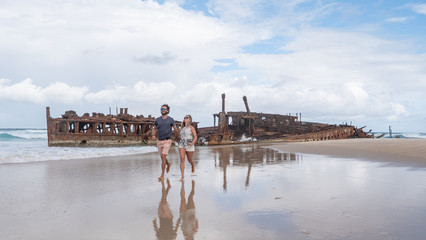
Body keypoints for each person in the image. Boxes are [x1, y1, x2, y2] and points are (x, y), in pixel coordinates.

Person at [152, 104, 180, 181]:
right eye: (162, 109)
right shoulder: (157, 120)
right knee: (162, 157)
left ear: (167, 110)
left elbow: (175, 129)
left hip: (168, 140)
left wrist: (179, 136)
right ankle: (168, 164)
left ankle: (162, 175)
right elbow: (154, 128)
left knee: (164, 156)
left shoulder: (171, 119)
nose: (163, 110)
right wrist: (153, 135)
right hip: (159, 140)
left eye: (164, 109)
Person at [178, 115, 197, 181]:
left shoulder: (191, 128)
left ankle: (192, 165)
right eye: (184, 118)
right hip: (182, 144)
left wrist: (192, 143)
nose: (185, 119)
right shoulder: (182, 128)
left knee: (189, 160)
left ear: (190, 120)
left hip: (189, 144)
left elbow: (195, 137)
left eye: (187, 118)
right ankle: (182, 177)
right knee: (182, 160)